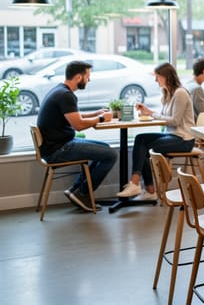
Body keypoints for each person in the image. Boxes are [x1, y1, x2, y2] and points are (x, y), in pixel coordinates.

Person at [36, 60, 117, 212]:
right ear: (79, 77)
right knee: (111, 155)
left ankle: (75, 190)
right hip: (59, 149)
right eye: (88, 76)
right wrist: (101, 119)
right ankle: (83, 193)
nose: (89, 80)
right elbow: (78, 125)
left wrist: (96, 113)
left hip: (56, 145)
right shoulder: (66, 96)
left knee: (105, 149)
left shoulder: (59, 90)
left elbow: (74, 117)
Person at [117, 63, 195, 200]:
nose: (155, 80)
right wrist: (148, 112)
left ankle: (138, 184)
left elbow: (175, 121)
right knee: (140, 139)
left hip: (183, 140)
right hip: (172, 135)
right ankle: (148, 190)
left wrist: (152, 114)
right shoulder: (169, 93)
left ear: (166, 77)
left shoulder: (180, 93)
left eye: (157, 77)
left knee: (145, 148)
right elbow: (165, 117)